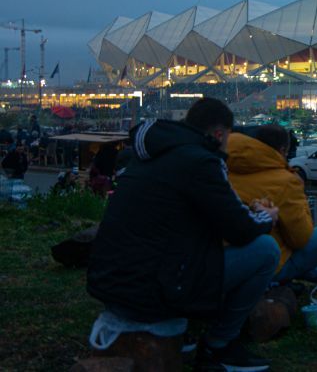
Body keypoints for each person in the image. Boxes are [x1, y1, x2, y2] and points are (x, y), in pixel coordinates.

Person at [87, 98, 280, 371]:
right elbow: (242, 230)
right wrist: (267, 216)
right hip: (154, 290)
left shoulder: (149, 155)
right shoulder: (201, 161)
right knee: (265, 250)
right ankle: (219, 345)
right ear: (219, 134)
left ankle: (189, 331)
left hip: (111, 285)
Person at [225, 124, 317, 285]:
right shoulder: (285, 180)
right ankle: (293, 274)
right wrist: (300, 194)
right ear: (283, 150)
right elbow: (301, 239)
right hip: (267, 263)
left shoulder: (222, 164)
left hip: (228, 255)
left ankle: (316, 273)